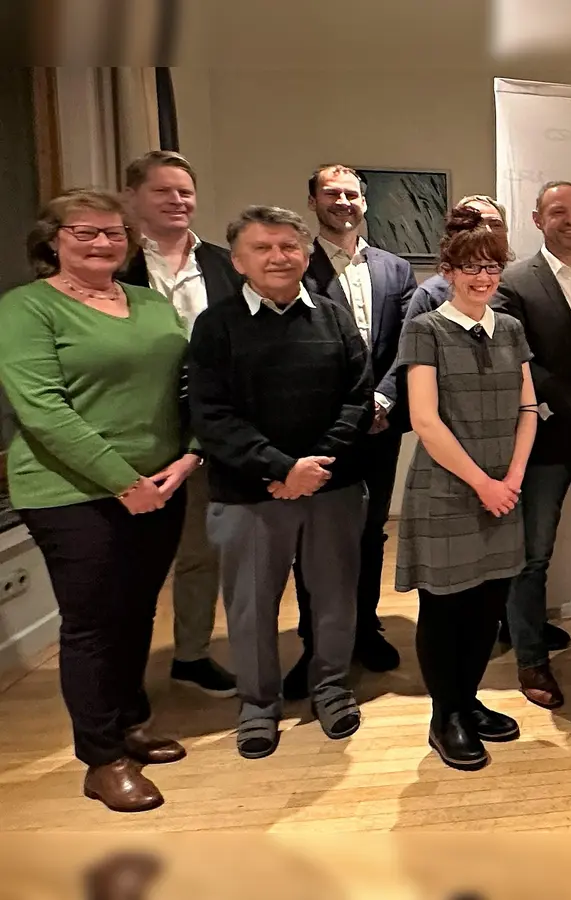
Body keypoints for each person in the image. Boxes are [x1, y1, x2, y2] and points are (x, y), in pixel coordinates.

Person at [0, 190, 196, 812]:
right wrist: (122, 481)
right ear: (52, 239)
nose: (102, 243)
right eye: (84, 232)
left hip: (162, 483)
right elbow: (42, 409)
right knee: (92, 624)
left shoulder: (148, 302)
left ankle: (130, 722)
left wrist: (191, 454)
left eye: (113, 232)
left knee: (137, 611)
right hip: (70, 491)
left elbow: (188, 384)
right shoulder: (27, 308)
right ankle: (102, 758)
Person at [188, 206, 372, 760]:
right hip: (250, 494)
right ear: (238, 260)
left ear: (306, 254)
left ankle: (331, 689)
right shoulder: (215, 325)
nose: (278, 257)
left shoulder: (335, 317)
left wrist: (313, 468)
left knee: (334, 597)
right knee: (250, 605)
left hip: (331, 488)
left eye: (289, 246)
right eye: (262, 248)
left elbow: (358, 398)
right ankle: (258, 704)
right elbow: (211, 414)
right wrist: (280, 469)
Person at [395, 207, 534, 771]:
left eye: (492, 267)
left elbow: (529, 408)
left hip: (504, 488)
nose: (483, 277)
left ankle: (469, 700)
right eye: (471, 267)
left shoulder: (512, 328)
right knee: (446, 607)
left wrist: (513, 479)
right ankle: (445, 715)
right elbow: (425, 421)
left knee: (488, 606)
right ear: (448, 271)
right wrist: (483, 483)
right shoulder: (425, 329)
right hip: (448, 489)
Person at [283, 164, 416, 698]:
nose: (343, 202)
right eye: (331, 193)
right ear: (312, 201)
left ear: (365, 201)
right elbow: (293, 347)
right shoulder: (296, 266)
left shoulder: (395, 268)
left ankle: (364, 629)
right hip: (319, 428)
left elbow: (406, 342)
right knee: (315, 540)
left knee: (370, 531)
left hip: (381, 424)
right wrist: (349, 408)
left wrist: (382, 398)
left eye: (352, 194)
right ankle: (315, 644)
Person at [117, 150, 243, 698]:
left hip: (206, 430)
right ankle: (120, 673)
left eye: (185, 191)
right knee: (129, 561)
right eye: (163, 190)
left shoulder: (223, 263)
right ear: (132, 197)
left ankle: (191, 654)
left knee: (201, 552)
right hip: (132, 430)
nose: (177, 201)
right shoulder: (112, 262)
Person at [494, 180, 571, 710]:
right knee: (533, 556)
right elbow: (516, 356)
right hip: (544, 440)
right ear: (537, 219)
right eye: (559, 211)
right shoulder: (514, 281)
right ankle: (530, 657)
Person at [404, 195, 507, 318]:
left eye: (495, 225)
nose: (486, 231)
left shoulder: (517, 286)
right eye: (475, 226)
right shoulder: (431, 294)